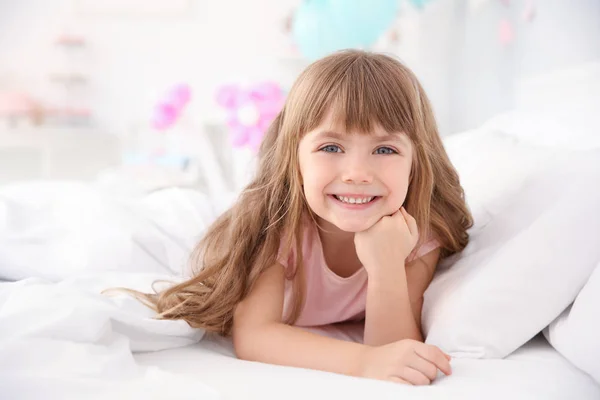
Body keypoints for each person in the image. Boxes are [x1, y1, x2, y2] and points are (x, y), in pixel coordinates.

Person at [126, 50, 473, 385]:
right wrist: (363, 363)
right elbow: (256, 336)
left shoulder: (418, 233)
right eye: (331, 147)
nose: (357, 173)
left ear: (417, 161)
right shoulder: (274, 225)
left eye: (385, 149)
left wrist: (386, 267)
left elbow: (393, 354)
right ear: (295, 156)